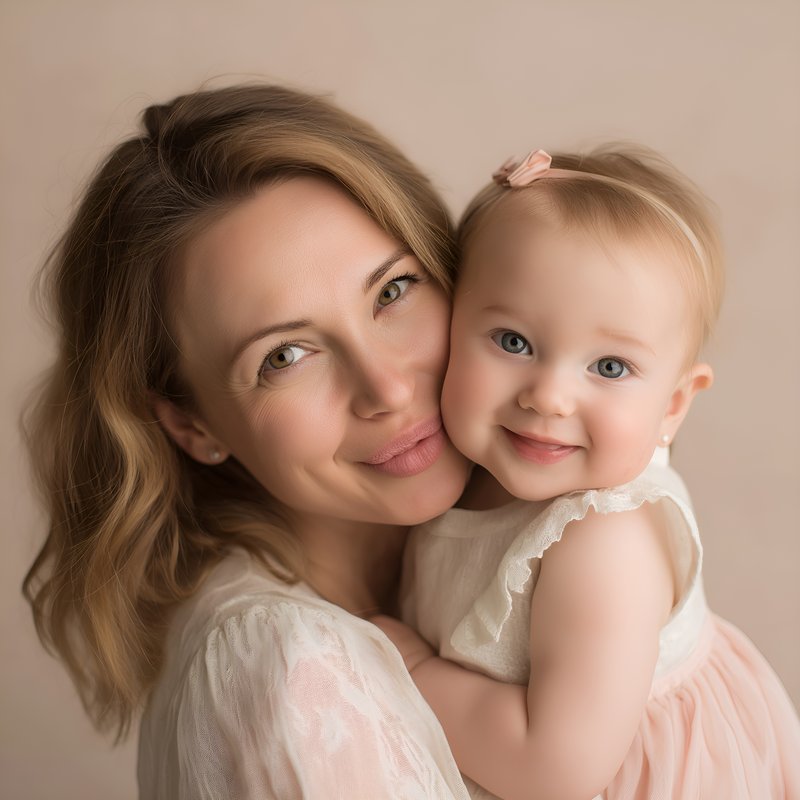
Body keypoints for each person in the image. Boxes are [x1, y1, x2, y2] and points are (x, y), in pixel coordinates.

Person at [22, 84, 475, 799]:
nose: (386, 389)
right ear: (190, 424)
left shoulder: (474, 579)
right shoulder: (292, 667)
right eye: (284, 356)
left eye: (392, 291)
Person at [374, 147, 800, 799]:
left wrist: (404, 664)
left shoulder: (606, 540)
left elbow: (557, 769)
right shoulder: (469, 467)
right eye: (513, 342)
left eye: (609, 368)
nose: (548, 397)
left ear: (674, 406)